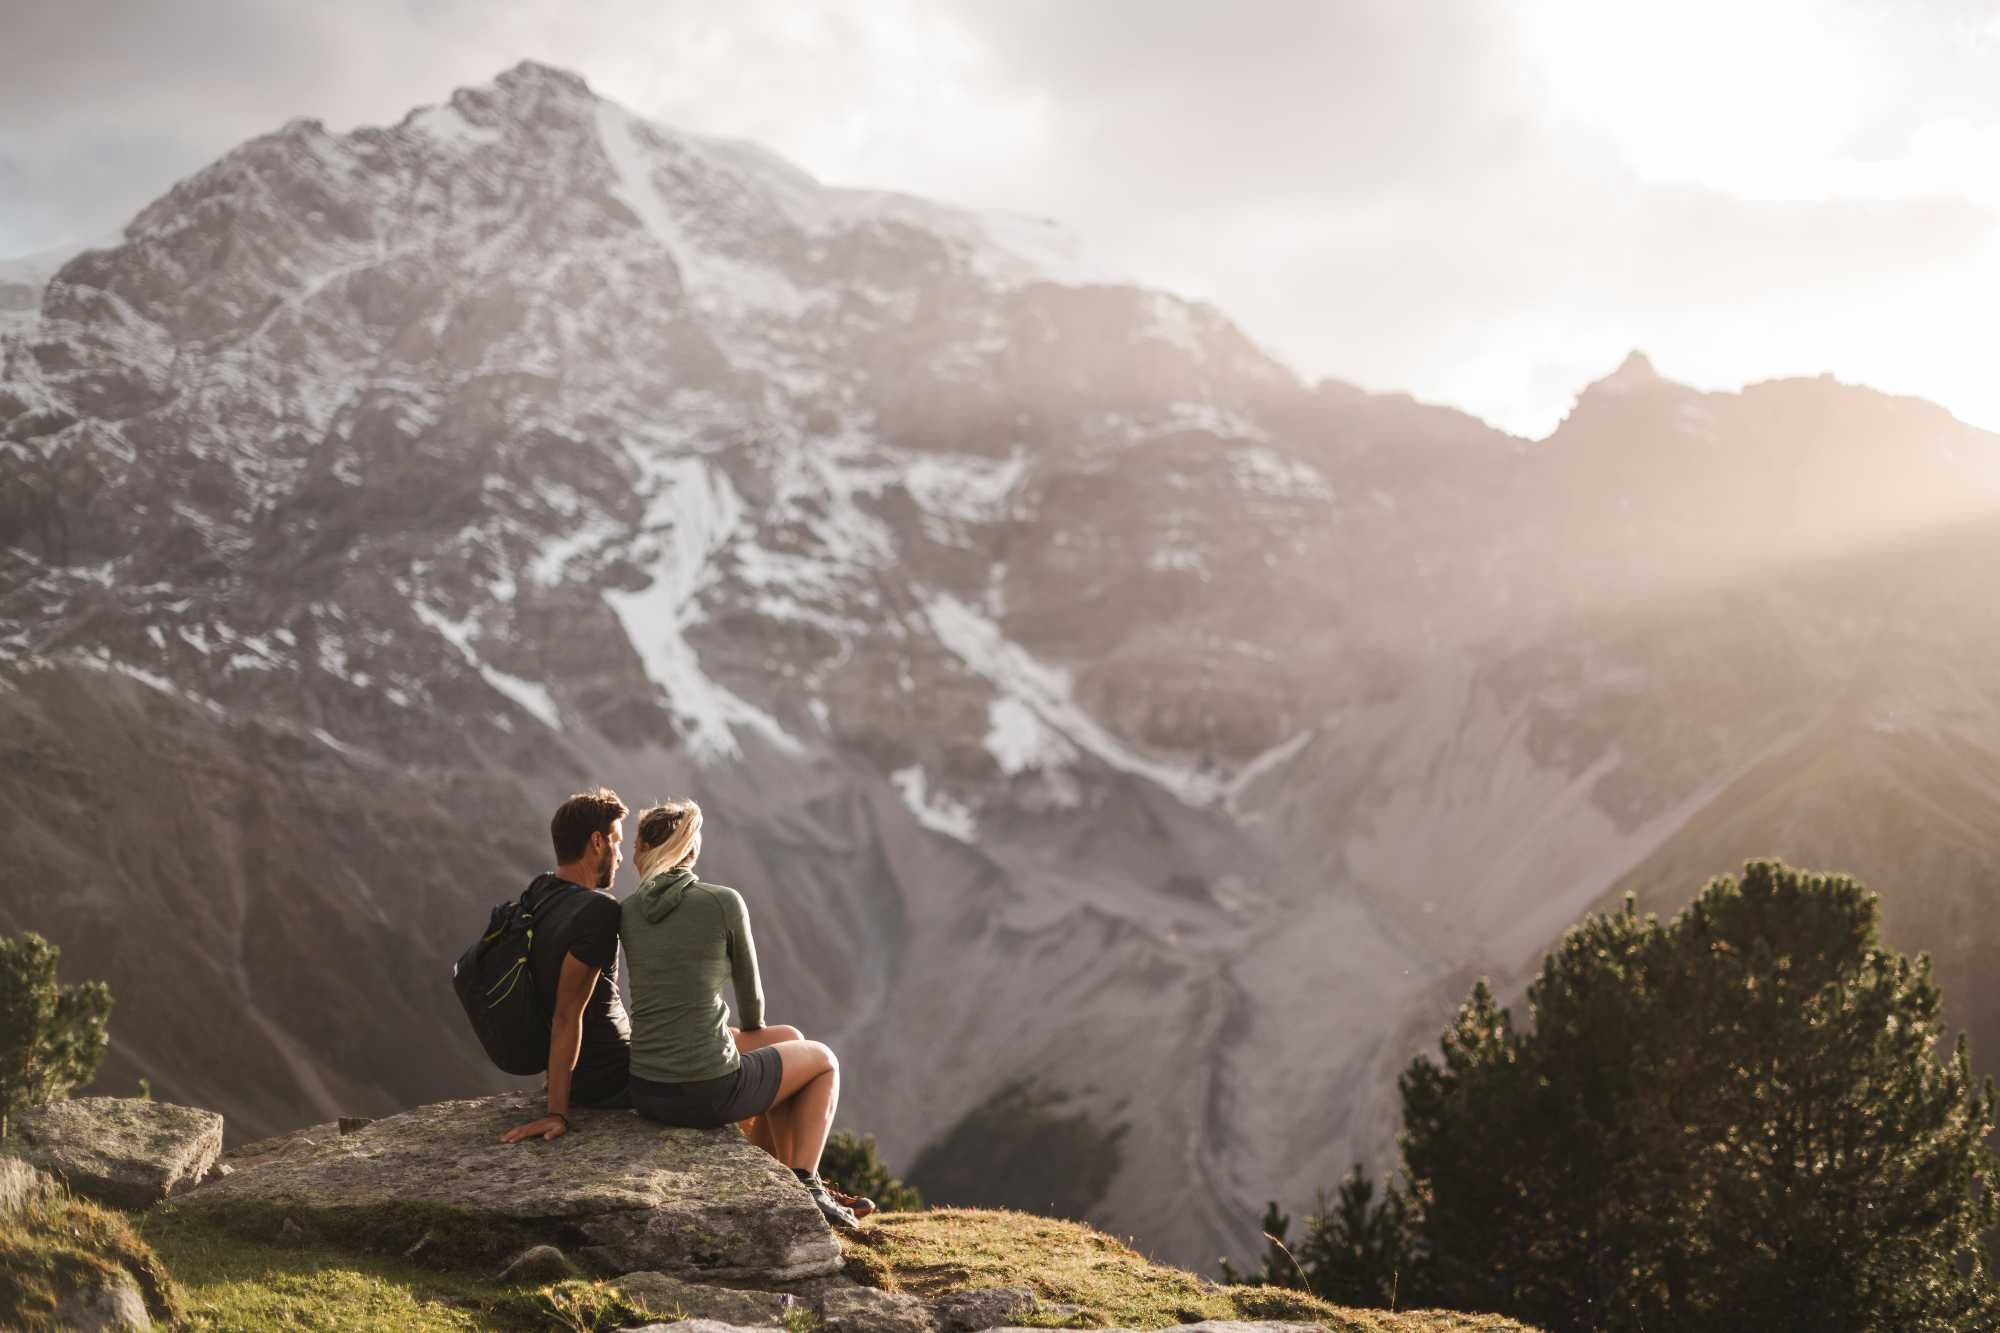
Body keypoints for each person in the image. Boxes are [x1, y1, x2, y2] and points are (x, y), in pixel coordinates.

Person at [620, 798, 865, 1230]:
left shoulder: (628, 912)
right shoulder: (721, 902)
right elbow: (753, 1006)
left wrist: (716, 1030)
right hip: (705, 1091)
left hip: (647, 1088)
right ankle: (805, 1183)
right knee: (823, 1061)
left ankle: (775, 1175)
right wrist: (734, 1030)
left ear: (640, 850)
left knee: (788, 1037)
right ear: (691, 851)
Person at [501, 788, 634, 1144]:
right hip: (616, 1078)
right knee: (787, 1050)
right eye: (617, 843)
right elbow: (567, 1015)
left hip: (582, 1074)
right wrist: (556, 1114)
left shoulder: (539, 893)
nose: (620, 857)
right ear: (596, 842)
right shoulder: (598, 911)